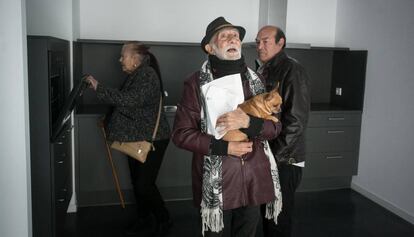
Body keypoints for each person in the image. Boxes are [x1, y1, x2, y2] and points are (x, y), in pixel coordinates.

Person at [172, 17, 283, 237]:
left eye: (236, 36)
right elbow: (181, 135)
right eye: (224, 36)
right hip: (219, 182)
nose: (233, 39)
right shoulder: (195, 83)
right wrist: (225, 148)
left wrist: (249, 122)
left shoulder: (257, 81)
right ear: (209, 47)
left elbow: (275, 129)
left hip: (254, 176)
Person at [85, 41, 172, 236]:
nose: (120, 59)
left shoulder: (147, 75)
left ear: (135, 58)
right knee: (137, 182)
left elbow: (130, 100)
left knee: (144, 184)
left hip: (152, 139)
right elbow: (129, 105)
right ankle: (144, 218)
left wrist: (98, 87)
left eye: (123, 56)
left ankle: (164, 219)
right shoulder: (138, 74)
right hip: (139, 137)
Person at [256, 26, 310, 237]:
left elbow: (296, 121)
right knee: (268, 214)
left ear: (281, 42)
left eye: (266, 41)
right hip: (269, 157)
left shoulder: (292, 70)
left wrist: (274, 157)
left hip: (284, 159)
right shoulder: (264, 69)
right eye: (258, 42)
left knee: (278, 217)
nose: (260, 46)